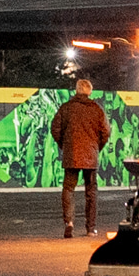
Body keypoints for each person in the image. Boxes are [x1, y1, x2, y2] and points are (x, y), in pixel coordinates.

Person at [53, 76, 111, 235]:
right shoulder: (96, 109)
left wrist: (64, 145)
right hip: (90, 156)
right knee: (91, 191)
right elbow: (106, 131)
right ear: (90, 92)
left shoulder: (66, 108)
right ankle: (90, 229)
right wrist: (96, 147)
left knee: (68, 188)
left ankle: (69, 223)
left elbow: (55, 129)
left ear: (76, 90)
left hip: (71, 154)